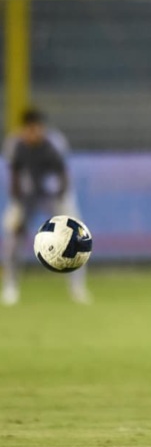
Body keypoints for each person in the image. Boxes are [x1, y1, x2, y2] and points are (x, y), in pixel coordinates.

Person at [2, 108, 90, 305]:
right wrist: (18, 206)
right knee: (14, 237)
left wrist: (62, 206)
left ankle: (77, 286)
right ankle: (10, 286)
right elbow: (15, 177)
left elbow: (63, 175)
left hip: (54, 194)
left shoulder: (54, 144)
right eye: (30, 129)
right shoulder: (15, 144)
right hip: (28, 196)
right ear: (24, 129)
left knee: (76, 235)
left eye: (37, 128)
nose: (34, 133)